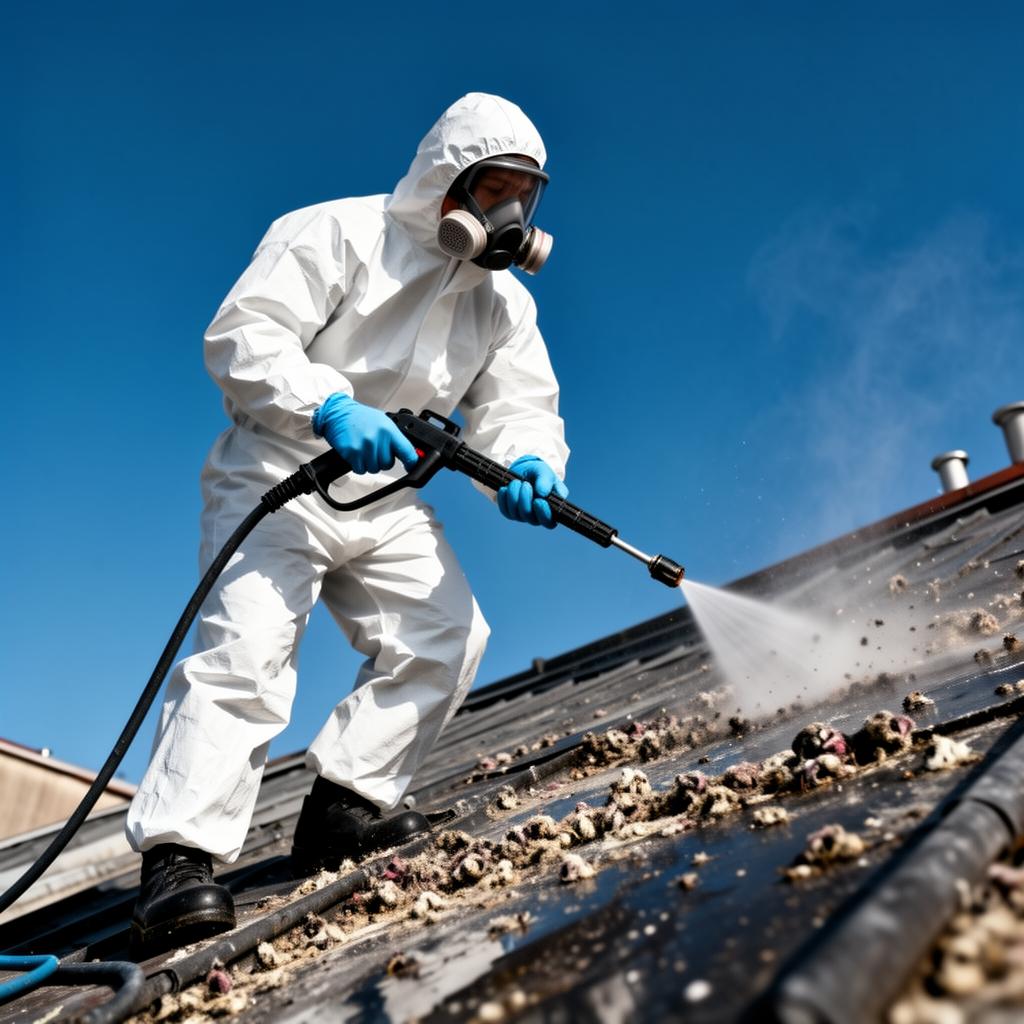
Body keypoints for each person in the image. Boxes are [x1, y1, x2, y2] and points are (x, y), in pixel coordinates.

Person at [125, 92, 569, 954]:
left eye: (525, 195)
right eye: (494, 190)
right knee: (246, 652)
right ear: (448, 182)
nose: (508, 215)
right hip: (278, 470)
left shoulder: (503, 302)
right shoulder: (333, 232)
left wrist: (528, 463)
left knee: (448, 633)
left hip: (384, 493)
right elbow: (244, 336)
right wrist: (326, 402)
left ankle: (346, 808)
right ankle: (179, 863)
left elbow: (519, 403)